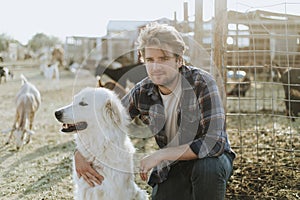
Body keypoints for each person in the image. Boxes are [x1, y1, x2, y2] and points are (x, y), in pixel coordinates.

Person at [74, 22, 235, 200]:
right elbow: (109, 122)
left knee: (207, 168)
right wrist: (79, 154)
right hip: (173, 165)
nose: (156, 67)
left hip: (212, 160)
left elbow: (214, 142)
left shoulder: (201, 83)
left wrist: (161, 154)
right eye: (150, 60)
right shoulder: (142, 92)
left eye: (164, 59)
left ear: (179, 59)